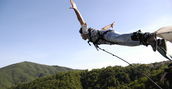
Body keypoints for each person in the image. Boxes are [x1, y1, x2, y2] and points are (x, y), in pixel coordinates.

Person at [69, 0, 165, 52]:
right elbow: (103, 29)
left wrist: (75, 9)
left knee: (123, 39)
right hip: (110, 38)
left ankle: (147, 36)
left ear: (83, 33)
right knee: (129, 43)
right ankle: (156, 42)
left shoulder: (86, 31)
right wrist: (110, 25)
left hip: (108, 36)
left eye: (81, 35)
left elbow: (81, 21)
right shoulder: (92, 35)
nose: (81, 37)